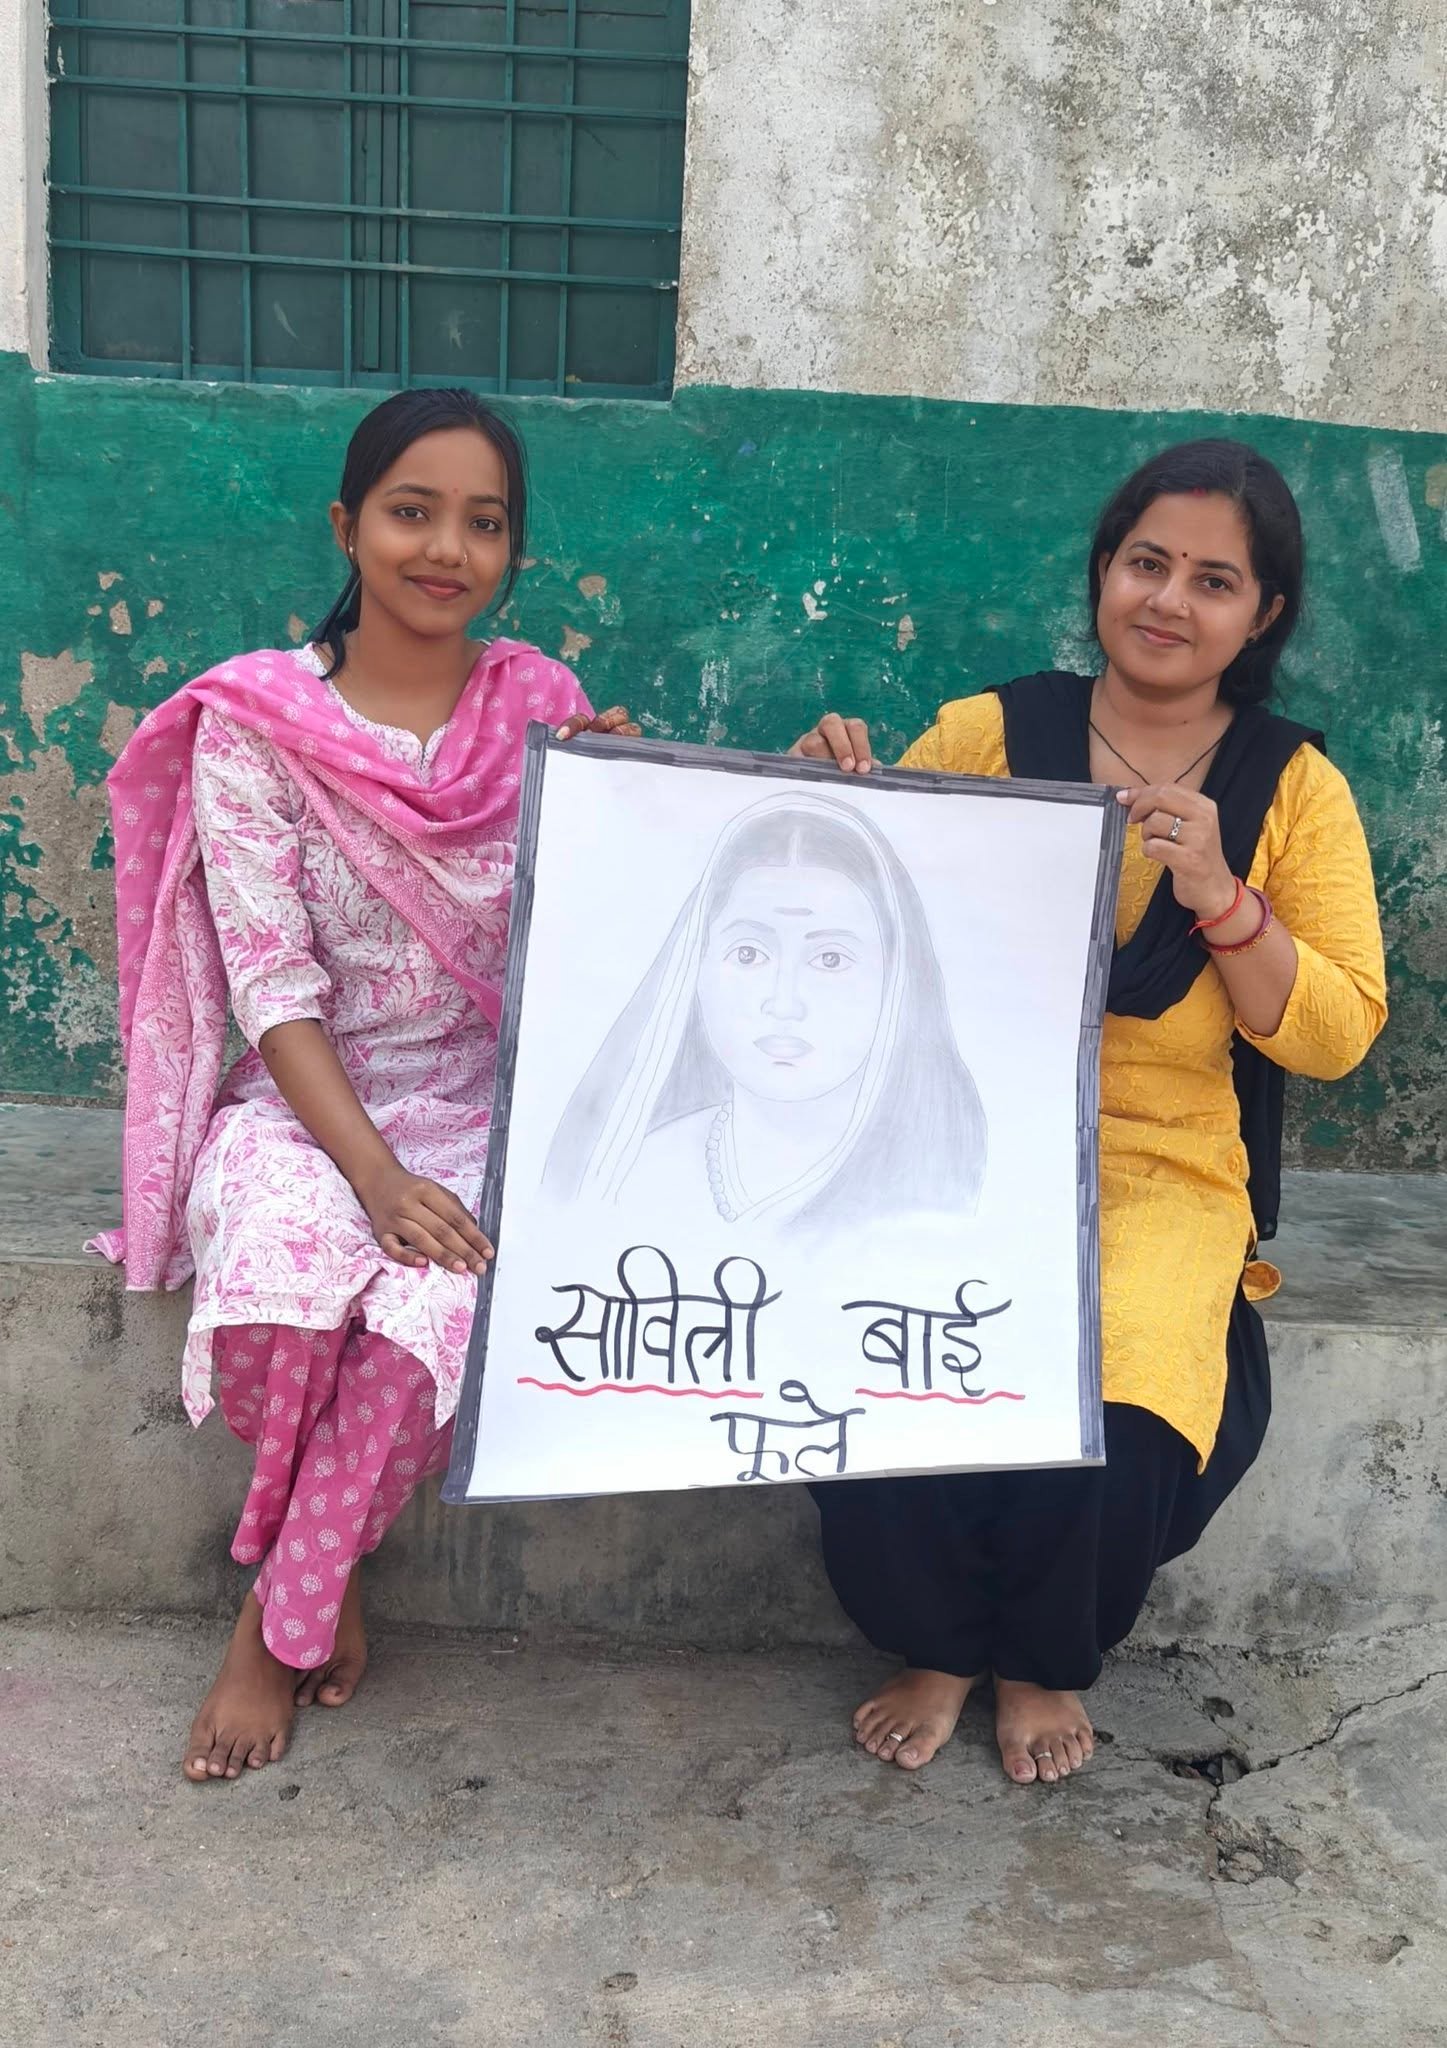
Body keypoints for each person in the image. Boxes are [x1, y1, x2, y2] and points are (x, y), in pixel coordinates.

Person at [788, 438, 1387, 1786]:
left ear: (1262, 613)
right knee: (890, 1349)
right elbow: (857, 920)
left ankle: (1046, 1659)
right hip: (954, 1129)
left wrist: (1224, 899)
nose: (1168, 600)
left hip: (1162, 1164)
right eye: (1144, 563)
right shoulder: (988, 735)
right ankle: (931, 1642)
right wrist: (817, 803)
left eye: (1212, 580)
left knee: (1113, 1403)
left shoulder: (1291, 787)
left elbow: (1338, 1029)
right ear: (1102, 574)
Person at [93, 387, 637, 1783]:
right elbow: (273, 982)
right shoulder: (257, 723)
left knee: (424, 1316)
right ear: (348, 526)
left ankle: (269, 1629)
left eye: (482, 521)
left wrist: (630, 811)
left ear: (513, 551)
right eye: (410, 510)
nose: (444, 546)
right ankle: (320, 1585)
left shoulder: (542, 707)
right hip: (312, 1096)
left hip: (484, 1094)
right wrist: (373, 1177)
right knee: (279, 1297)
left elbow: (591, 939)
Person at [543, 790, 986, 1231]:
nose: (784, 1002)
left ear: (898, 979)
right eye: (750, 954)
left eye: (830, 958)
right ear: (695, 968)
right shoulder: (635, 1177)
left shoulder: (934, 1194)